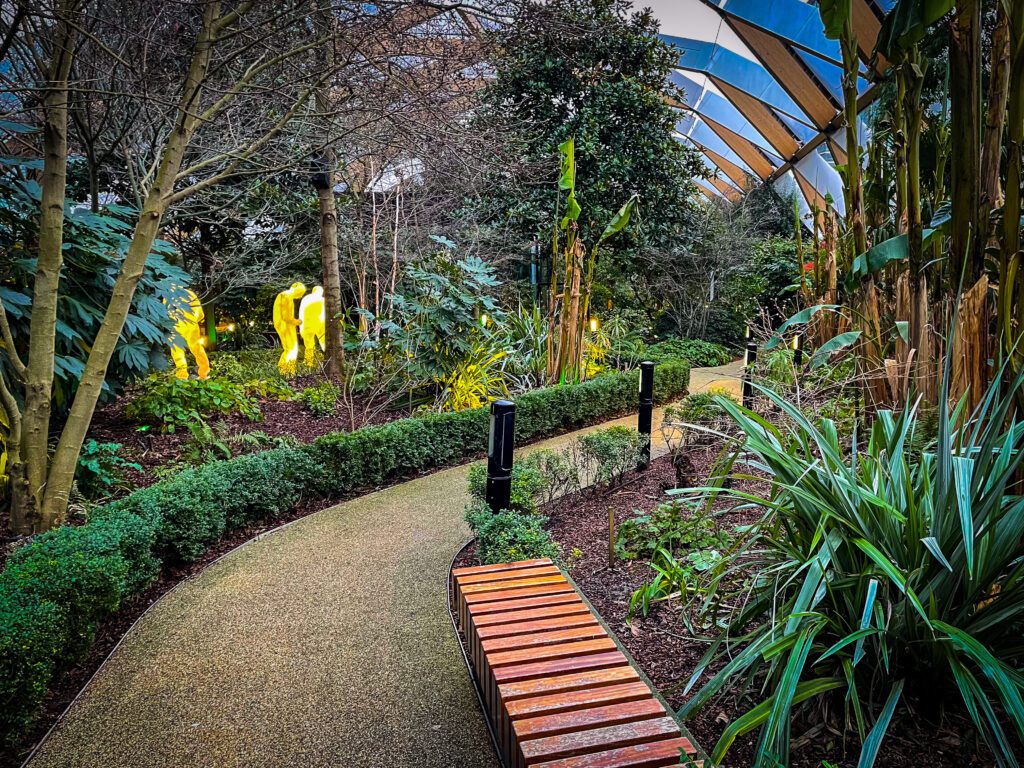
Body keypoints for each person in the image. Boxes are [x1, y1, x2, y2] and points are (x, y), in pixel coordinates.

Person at [166, 288, 210, 380]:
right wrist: (194, 320)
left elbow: (166, 313)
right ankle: (204, 373)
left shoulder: (167, 295)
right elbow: (201, 314)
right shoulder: (191, 294)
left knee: (177, 351)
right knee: (197, 348)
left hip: (175, 326)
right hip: (191, 325)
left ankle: (182, 376)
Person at [273, 282, 306, 376]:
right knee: (291, 349)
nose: (300, 296)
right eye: (301, 293)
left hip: (285, 325)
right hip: (285, 325)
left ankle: (285, 370)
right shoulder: (286, 295)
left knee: (290, 349)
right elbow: (286, 316)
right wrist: (297, 322)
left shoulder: (286, 296)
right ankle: (286, 371)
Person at [299, 286, 326, 367]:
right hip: (320, 324)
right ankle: (327, 361)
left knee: (309, 345)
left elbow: (301, 312)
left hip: (308, 325)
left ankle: (309, 363)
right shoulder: (323, 300)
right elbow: (325, 314)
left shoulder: (306, 298)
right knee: (324, 343)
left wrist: (301, 327)